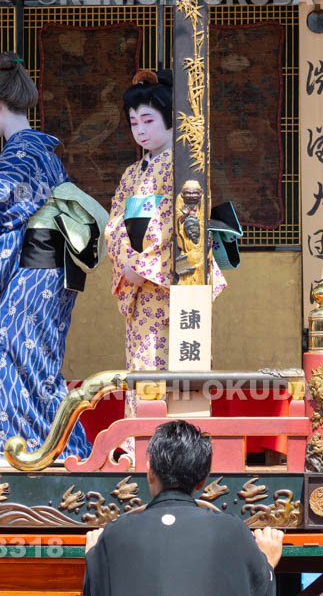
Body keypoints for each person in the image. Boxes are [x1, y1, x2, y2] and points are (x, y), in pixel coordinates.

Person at [0, 53, 95, 467]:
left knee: (13, 348)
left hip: (39, 270)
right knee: (32, 356)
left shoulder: (25, 152)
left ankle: (22, 449)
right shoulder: (31, 151)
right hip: (45, 269)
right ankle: (56, 450)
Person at [103, 71, 226, 422]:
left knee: (179, 360)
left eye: (147, 120)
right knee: (143, 363)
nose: (139, 130)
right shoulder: (132, 174)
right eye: (133, 122)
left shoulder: (184, 167)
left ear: (170, 120)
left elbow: (187, 226)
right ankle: (141, 441)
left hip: (174, 285)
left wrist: (143, 267)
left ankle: (183, 441)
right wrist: (129, 264)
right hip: (141, 289)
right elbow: (115, 226)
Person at [82, 420, 284, 596]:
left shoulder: (115, 534)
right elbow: (259, 589)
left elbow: (97, 588)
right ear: (203, 479)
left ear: (149, 470)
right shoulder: (233, 531)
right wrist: (267, 562)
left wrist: (94, 556)